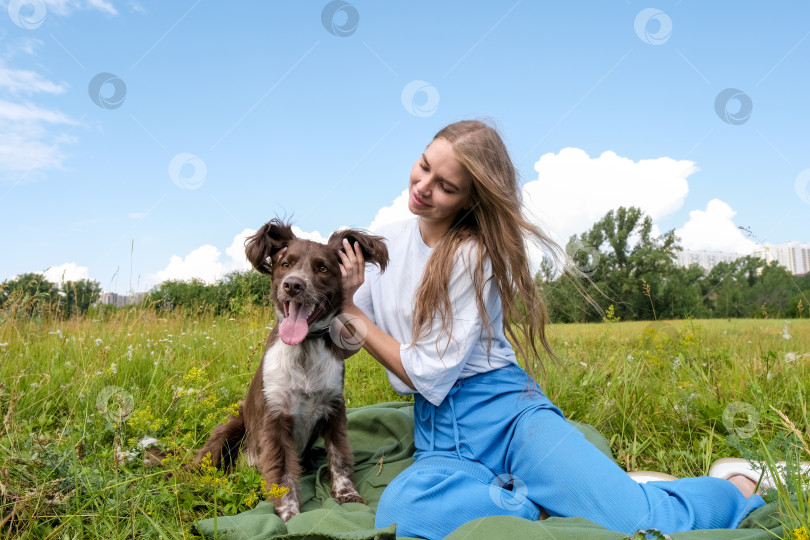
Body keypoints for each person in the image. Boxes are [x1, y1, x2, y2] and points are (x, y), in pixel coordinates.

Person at [336, 120, 766, 539]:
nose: (424, 186)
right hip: (441, 439)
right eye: (424, 165)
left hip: (507, 417)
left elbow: (423, 373)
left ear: (470, 200)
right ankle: (533, 507)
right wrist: (327, 299)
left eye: (446, 186)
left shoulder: (472, 254)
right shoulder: (382, 244)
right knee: (403, 512)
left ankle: (735, 485)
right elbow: (351, 340)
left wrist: (350, 310)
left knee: (642, 523)